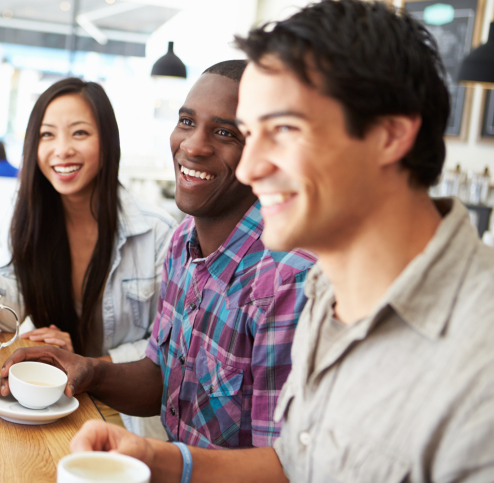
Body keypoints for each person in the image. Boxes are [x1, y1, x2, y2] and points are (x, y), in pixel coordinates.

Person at [67, 1, 494, 481]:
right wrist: (157, 459)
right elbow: (296, 461)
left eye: (284, 130)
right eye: (252, 134)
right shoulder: (329, 295)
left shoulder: (478, 362)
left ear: (388, 135)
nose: (249, 169)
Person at [0, 60, 315, 450]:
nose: (193, 145)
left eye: (224, 132)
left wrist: (155, 460)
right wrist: (87, 370)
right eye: (186, 121)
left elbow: (285, 467)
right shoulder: (183, 243)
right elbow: (165, 378)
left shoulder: (288, 279)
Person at [0, 77, 176, 437]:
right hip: (54, 401)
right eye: (47, 135)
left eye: (79, 133)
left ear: (108, 142)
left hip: (127, 418)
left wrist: (84, 364)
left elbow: (167, 350)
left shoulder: (157, 233)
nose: (61, 149)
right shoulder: (30, 217)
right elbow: (9, 309)